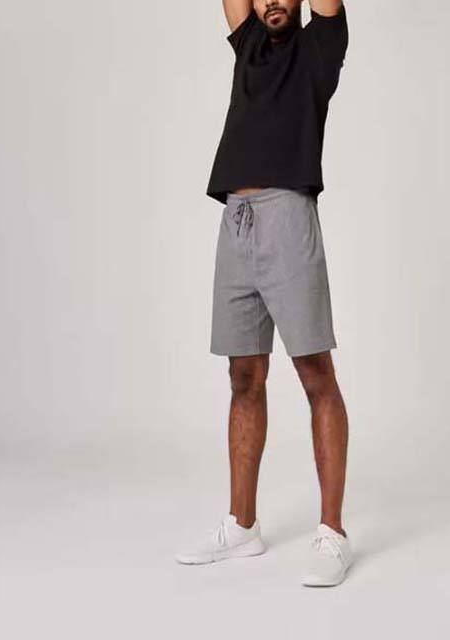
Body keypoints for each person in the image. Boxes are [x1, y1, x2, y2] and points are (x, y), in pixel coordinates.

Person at [175, 0, 351, 587]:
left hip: (288, 217)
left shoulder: (319, 49)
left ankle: (332, 533)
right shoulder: (249, 45)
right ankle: (242, 525)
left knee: (315, 373)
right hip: (236, 220)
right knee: (243, 375)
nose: (272, 1)